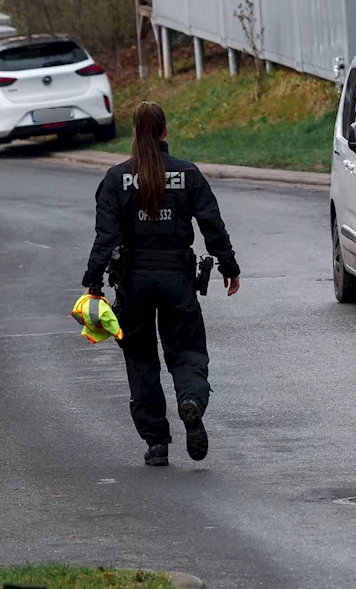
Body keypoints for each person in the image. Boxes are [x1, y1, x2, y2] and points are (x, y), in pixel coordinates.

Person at [81, 102, 241, 466]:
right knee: (186, 351)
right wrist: (228, 266)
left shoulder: (115, 178)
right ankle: (191, 401)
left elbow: (105, 237)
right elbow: (211, 223)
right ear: (165, 130)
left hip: (133, 281)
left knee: (140, 361)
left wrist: (93, 283)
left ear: (135, 133)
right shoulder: (188, 174)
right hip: (177, 279)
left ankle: (156, 442)